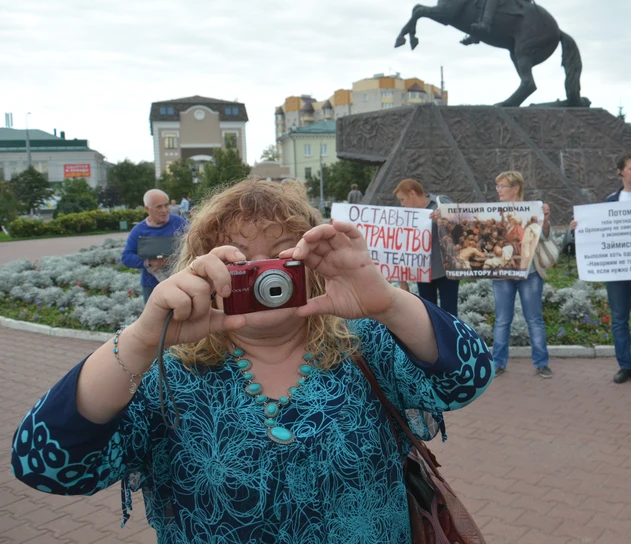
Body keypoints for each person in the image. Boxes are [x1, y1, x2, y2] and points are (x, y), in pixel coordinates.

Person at [11, 179, 494, 541]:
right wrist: (141, 340)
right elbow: (45, 464)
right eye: (238, 261)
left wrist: (386, 300)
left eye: (280, 257)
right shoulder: (165, 372)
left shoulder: (363, 343)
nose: (265, 278)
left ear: (313, 261)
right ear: (201, 269)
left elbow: (467, 378)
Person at [570, 153, 631, 385]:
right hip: (616, 270)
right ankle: (624, 366)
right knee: (619, 320)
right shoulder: (610, 201)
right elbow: (599, 231)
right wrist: (579, 228)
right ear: (620, 172)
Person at [490, 171, 552, 378]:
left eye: (503, 186)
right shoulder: (493, 212)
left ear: (515, 188)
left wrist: (546, 220)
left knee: (534, 318)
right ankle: (498, 362)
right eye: (498, 186)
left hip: (530, 272)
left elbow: (544, 236)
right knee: (502, 319)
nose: (499, 190)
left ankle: (541, 363)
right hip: (502, 273)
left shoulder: (533, 210)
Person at [394, 179, 460, 315]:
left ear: (412, 193)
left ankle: (450, 336)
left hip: (446, 269)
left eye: (402, 199)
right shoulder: (405, 215)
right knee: (428, 313)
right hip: (423, 272)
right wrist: (402, 280)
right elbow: (401, 245)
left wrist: (442, 220)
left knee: (449, 313)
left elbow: (460, 226)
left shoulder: (441, 202)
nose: (402, 204)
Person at [122, 189, 188, 303]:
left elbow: (194, 242)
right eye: (159, 207)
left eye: (166, 205)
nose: (164, 210)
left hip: (180, 282)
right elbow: (126, 257)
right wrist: (150, 262)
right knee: (156, 320)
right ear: (147, 209)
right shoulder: (139, 230)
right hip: (151, 286)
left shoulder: (179, 222)